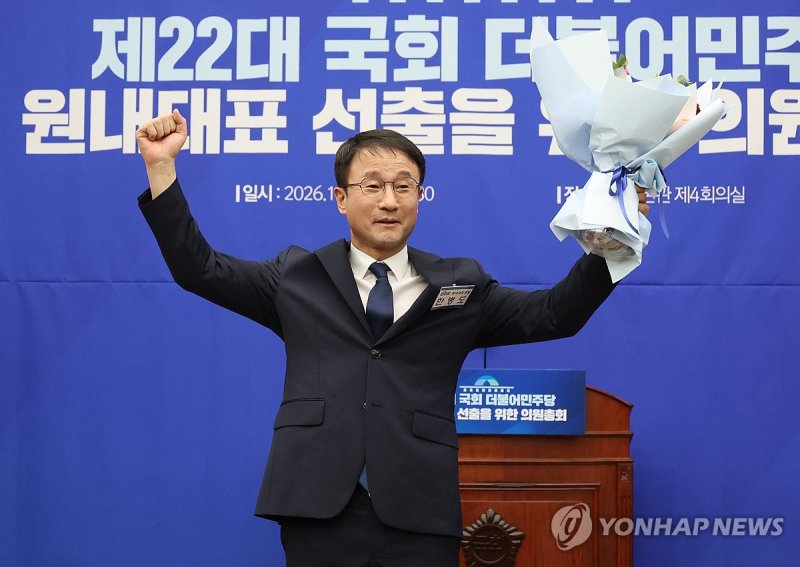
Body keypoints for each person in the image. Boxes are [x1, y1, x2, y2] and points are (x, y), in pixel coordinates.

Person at [136, 109, 649, 567]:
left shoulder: (460, 284)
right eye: (372, 185)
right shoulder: (296, 276)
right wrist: (161, 167)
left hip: (419, 508)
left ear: (420, 197)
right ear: (341, 199)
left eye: (404, 186)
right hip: (316, 503)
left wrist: (611, 243)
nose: (389, 200)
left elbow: (555, 315)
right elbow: (199, 268)